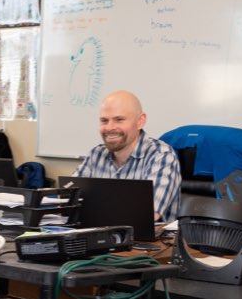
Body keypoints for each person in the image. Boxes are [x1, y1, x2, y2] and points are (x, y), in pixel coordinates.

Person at [74, 90, 182, 222]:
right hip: (99, 235)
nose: (110, 127)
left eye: (119, 120)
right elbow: (68, 198)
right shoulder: (96, 154)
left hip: (148, 240)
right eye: (104, 121)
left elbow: (148, 214)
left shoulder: (162, 156)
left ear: (140, 121)